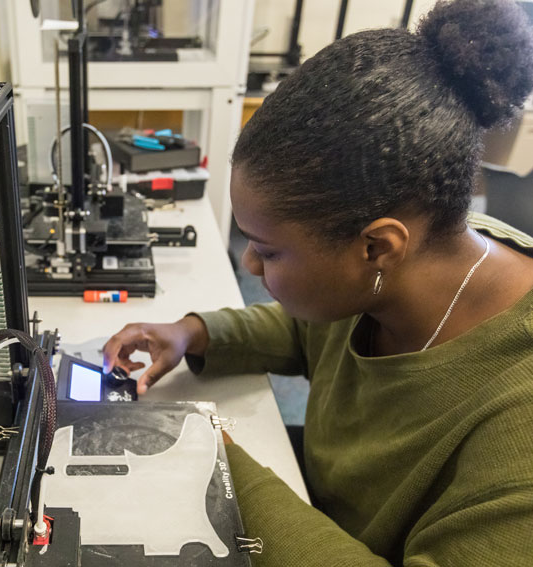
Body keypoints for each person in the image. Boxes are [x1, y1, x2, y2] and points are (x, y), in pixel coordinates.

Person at [102, 0, 533, 564]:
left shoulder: (517, 415)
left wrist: (217, 460)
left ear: (377, 246)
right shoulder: (422, 254)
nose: (251, 267)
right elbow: (310, 332)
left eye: (270, 250)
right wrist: (192, 332)